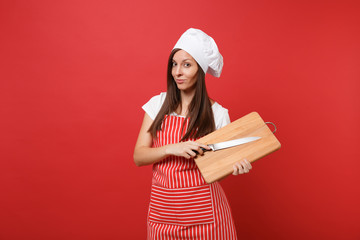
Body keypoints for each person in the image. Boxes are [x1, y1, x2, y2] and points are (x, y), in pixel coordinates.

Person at [133, 28, 252, 239]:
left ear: (201, 70)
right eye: (174, 64)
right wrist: (172, 148)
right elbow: (139, 157)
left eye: (187, 65)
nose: (177, 72)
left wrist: (234, 167)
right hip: (163, 217)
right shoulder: (157, 105)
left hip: (206, 218)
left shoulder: (218, 113)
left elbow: (218, 168)